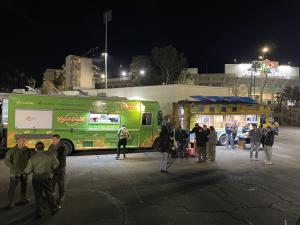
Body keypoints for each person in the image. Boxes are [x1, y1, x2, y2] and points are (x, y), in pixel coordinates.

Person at [25, 142, 59, 218]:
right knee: (50, 194)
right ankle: (54, 209)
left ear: (36, 148)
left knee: (38, 196)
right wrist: (51, 169)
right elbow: (56, 165)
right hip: (47, 177)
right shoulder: (50, 155)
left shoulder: (33, 158)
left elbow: (27, 171)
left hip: (36, 179)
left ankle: (39, 212)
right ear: (44, 148)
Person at [4, 136, 31, 209]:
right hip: (15, 173)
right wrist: (14, 169)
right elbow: (7, 161)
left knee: (24, 185)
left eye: (24, 141)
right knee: (13, 187)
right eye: (22, 141)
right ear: (18, 141)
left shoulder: (27, 150)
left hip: (24, 172)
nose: (23, 142)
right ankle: (11, 203)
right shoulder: (12, 151)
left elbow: (31, 158)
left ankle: (23, 199)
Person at [48, 134, 67, 208]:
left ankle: (61, 198)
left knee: (60, 184)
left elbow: (55, 155)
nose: (53, 141)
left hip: (60, 168)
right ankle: (51, 198)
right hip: (52, 169)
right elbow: (49, 154)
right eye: (53, 139)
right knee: (52, 184)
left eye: (55, 139)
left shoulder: (62, 147)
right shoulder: (51, 146)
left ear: (59, 140)